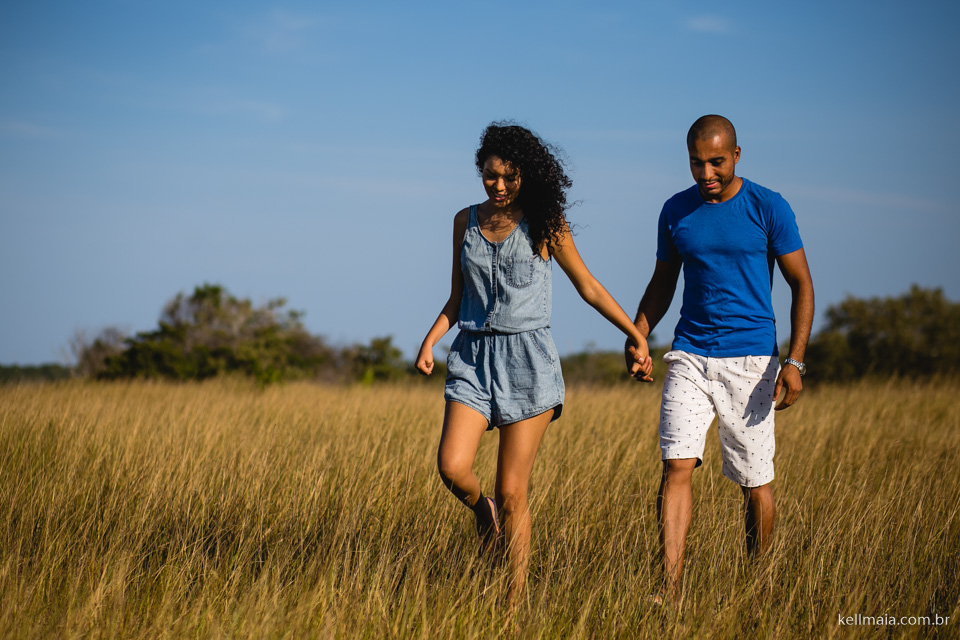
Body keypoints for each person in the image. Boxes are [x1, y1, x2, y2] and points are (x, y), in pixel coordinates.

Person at [416, 122, 653, 603]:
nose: (498, 187)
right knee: (451, 467)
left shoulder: (546, 222)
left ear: (526, 175)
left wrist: (635, 334)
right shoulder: (464, 221)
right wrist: (430, 341)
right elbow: (457, 297)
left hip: (529, 363)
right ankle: (484, 516)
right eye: (489, 177)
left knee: (513, 490)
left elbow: (588, 287)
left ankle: (512, 604)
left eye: (508, 176)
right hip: (472, 357)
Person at [625, 115, 814, 605]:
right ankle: (668, 592)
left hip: (751, 361)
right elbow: (663, 281)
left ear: (735, 155)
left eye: (716, 162)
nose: (706, 173)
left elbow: (802, 285)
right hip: (689, 354)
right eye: (696, 162)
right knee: (676, 467)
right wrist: (638, 335)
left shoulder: (768, 207)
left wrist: (795, 362)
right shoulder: (675, 211)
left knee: (754, 482)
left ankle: (760, 588)